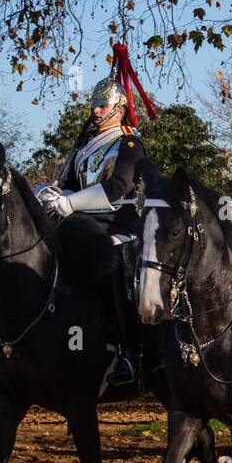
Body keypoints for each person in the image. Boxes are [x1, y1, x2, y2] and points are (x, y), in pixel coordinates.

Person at [36, 42, 155, 387]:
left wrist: (70, 203)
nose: (96, 110)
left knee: (114, 268)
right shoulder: (85, 146)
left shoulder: (129, 143)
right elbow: (70, 184)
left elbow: (118, 188)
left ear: (119, 109)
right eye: (94, 105)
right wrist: (54, 194)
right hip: (81, 228)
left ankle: (130, 354)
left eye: (102, 105)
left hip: (117, 226)